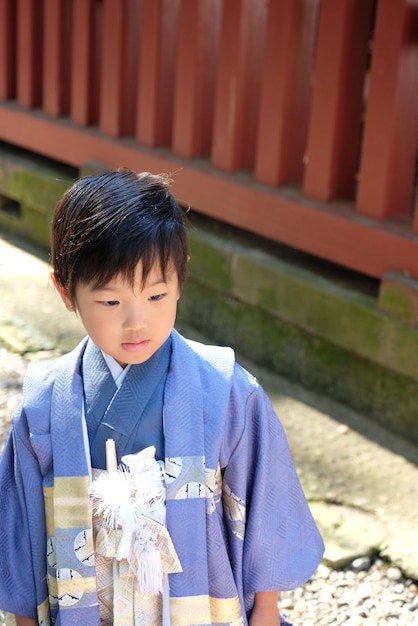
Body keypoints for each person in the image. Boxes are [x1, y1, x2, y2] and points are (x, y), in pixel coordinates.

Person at [0, 169, 324, 626]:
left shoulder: (227, 390)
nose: (137, 323)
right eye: (111, 302)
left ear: (180, 278)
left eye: (156, 295)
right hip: (90, 604)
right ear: (65, 292)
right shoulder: (46, 402)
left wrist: (266, 612)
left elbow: (264, 505)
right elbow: (19, 531)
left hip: (196, 601)